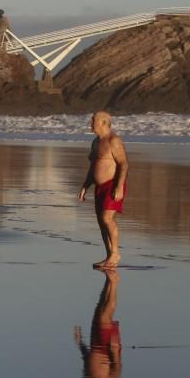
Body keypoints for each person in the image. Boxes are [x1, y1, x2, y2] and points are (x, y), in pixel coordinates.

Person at [78, 110, 128, 269]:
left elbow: (123, 164)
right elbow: (93, 166)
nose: (90, 124)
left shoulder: (114, 141)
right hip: (99, 186)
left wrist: (119, 185)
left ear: (104, 123)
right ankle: (109, 256)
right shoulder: (95, 142)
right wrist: (85, 185)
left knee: (107, 218)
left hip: (112, 185)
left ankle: (115, 253)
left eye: (93, 121)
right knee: (101, 223)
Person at [74, 269, 122, 378]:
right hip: (107, 348)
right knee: (105, 314)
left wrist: (81, 343)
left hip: (96, 346)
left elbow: (86, 363)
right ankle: (114, 283)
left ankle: (110, 282)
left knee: (99, 311)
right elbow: (117, 370)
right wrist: (115, 351)